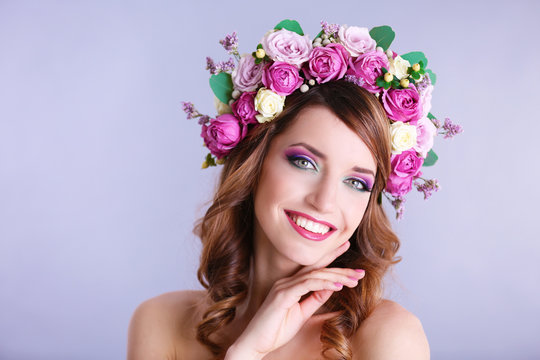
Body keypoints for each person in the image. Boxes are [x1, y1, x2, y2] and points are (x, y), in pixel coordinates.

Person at [127, 20, 457, 359]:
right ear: (253, 162)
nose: (324, 201)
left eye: (356, 182)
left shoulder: (388, 337)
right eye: (304, 163)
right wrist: (246, 352)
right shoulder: (160, 322)